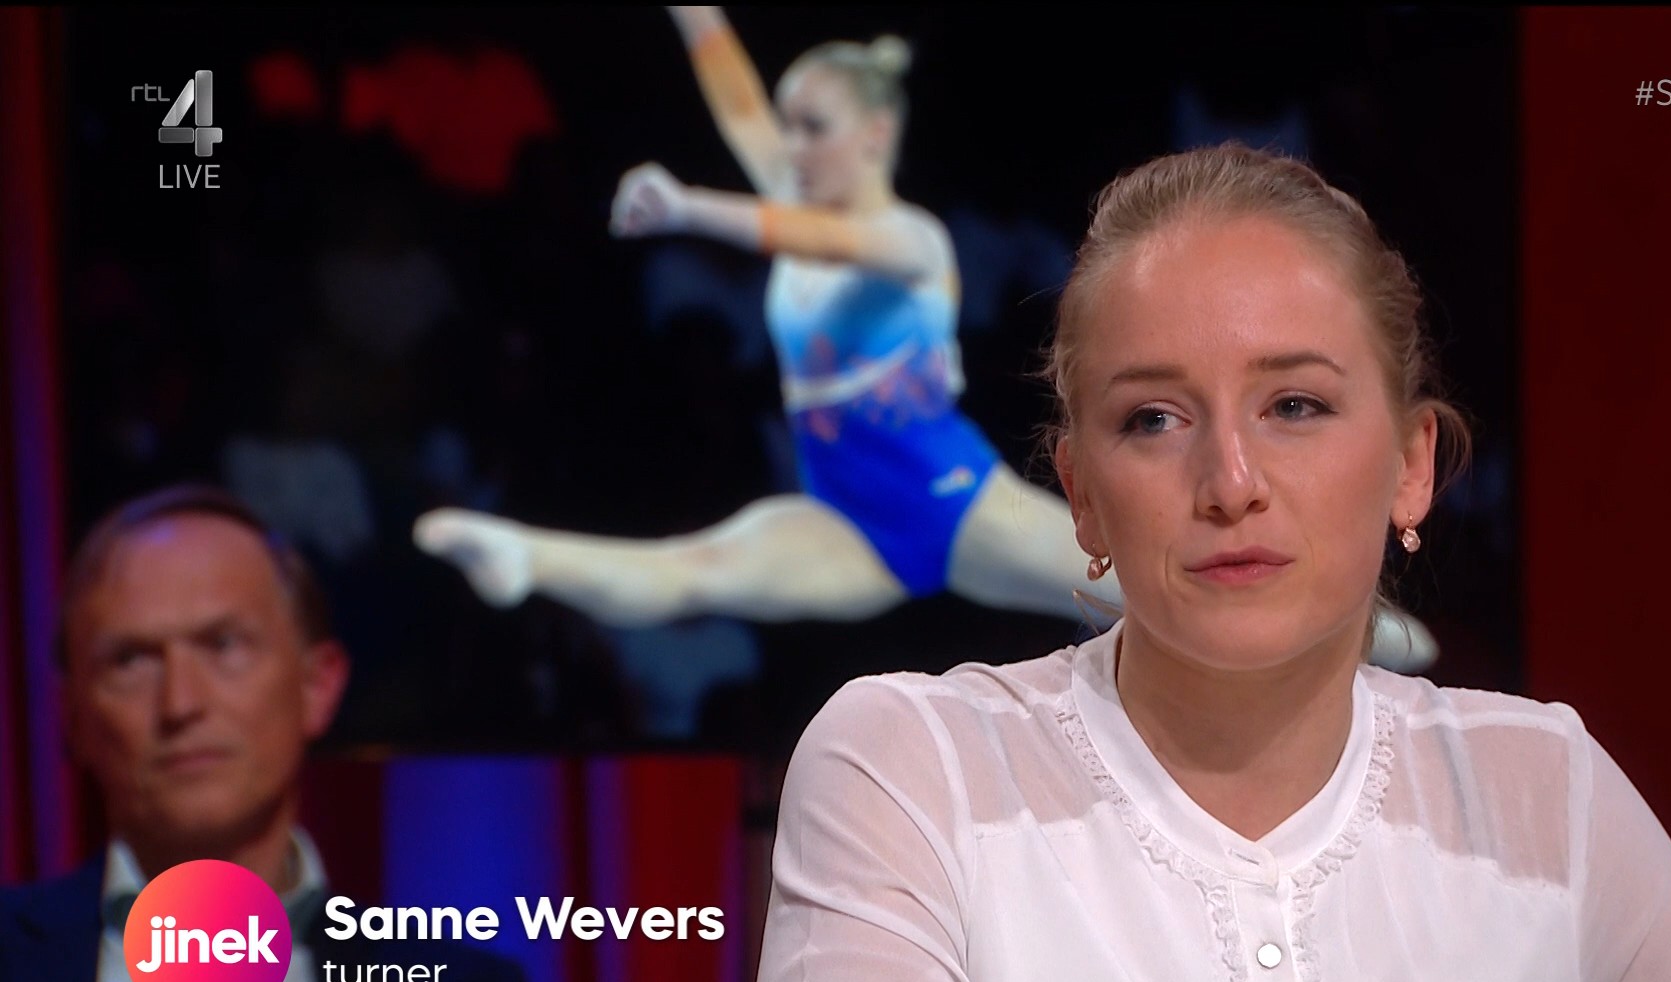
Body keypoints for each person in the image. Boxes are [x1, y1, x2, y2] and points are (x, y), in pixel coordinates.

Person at [749, 144, 1671, 982]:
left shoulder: (1538, 789)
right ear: (1082, 496)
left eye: (1295, 405)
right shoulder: (915, 770)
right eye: (1154, 419)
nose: (1231, 483)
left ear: (1411, 465)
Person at [411, 6, 1440, 673]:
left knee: (1144, 587)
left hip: (947, 499)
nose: (789, 144)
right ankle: (522, 556)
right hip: (846, 512)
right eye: (790, 128)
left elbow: (816, 237)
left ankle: (1372, 636)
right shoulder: (795, 197)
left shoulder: (907, 238)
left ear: (873, 137)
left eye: (812, 129)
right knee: (698, 570)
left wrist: (686, 208)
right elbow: (739, 107)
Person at [0, 485, 550, 982]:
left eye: (223, 645)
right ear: (74, 716)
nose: (181, 703)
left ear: (318, 686)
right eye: (131, 660)